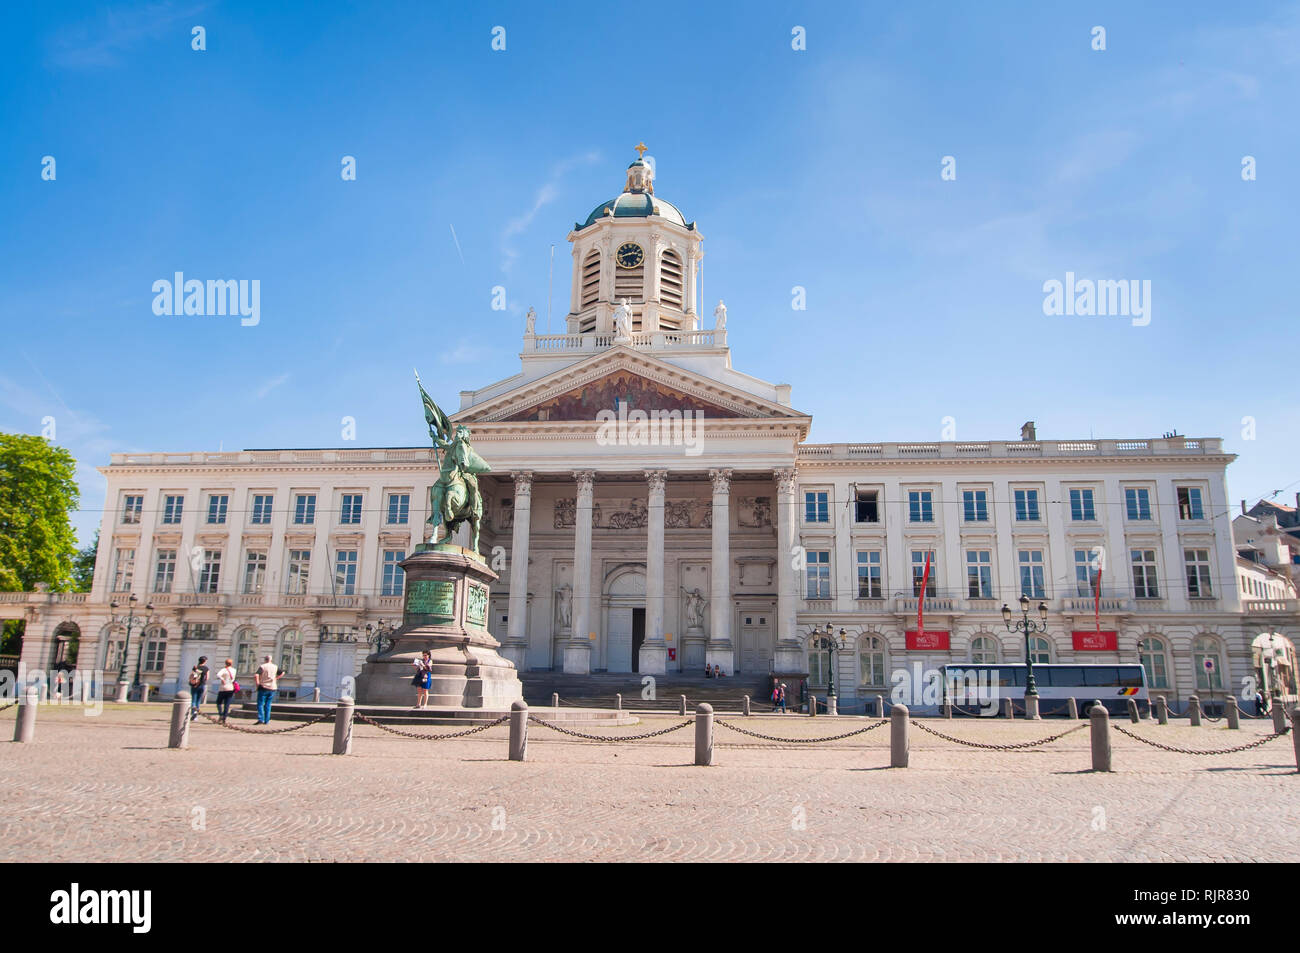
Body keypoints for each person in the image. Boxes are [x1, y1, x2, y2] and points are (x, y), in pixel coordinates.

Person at [254, 655, 282, 724]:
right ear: (271, 660)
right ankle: (267, 720)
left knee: (260, 704)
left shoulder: (263, 666)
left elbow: (256, 675)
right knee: (268, 704)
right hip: (272, 687)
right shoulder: (275, 666)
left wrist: (257, 683)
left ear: (265, 659)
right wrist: (276, 678)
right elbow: (282, 672)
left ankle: (261, 719)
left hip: (263, 686)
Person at [187, 655, 210, 721]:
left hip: (195, 685)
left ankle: (193, 712)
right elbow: (207, 678)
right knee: (198, 700)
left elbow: (191, 675)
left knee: (193, 699)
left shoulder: (196, 667)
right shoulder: (206, 668)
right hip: (202, 685)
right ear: (205, 661)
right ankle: (196, 714)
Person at [215, 658, 237, 723]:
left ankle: (221, 714)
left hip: (223, 688)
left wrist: (222, 679)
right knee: (227, 704)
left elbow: (218, 674)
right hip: (231, 687)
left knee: (219, 702)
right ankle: (224, 717)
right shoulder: (234, 670)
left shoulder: (224, 670)